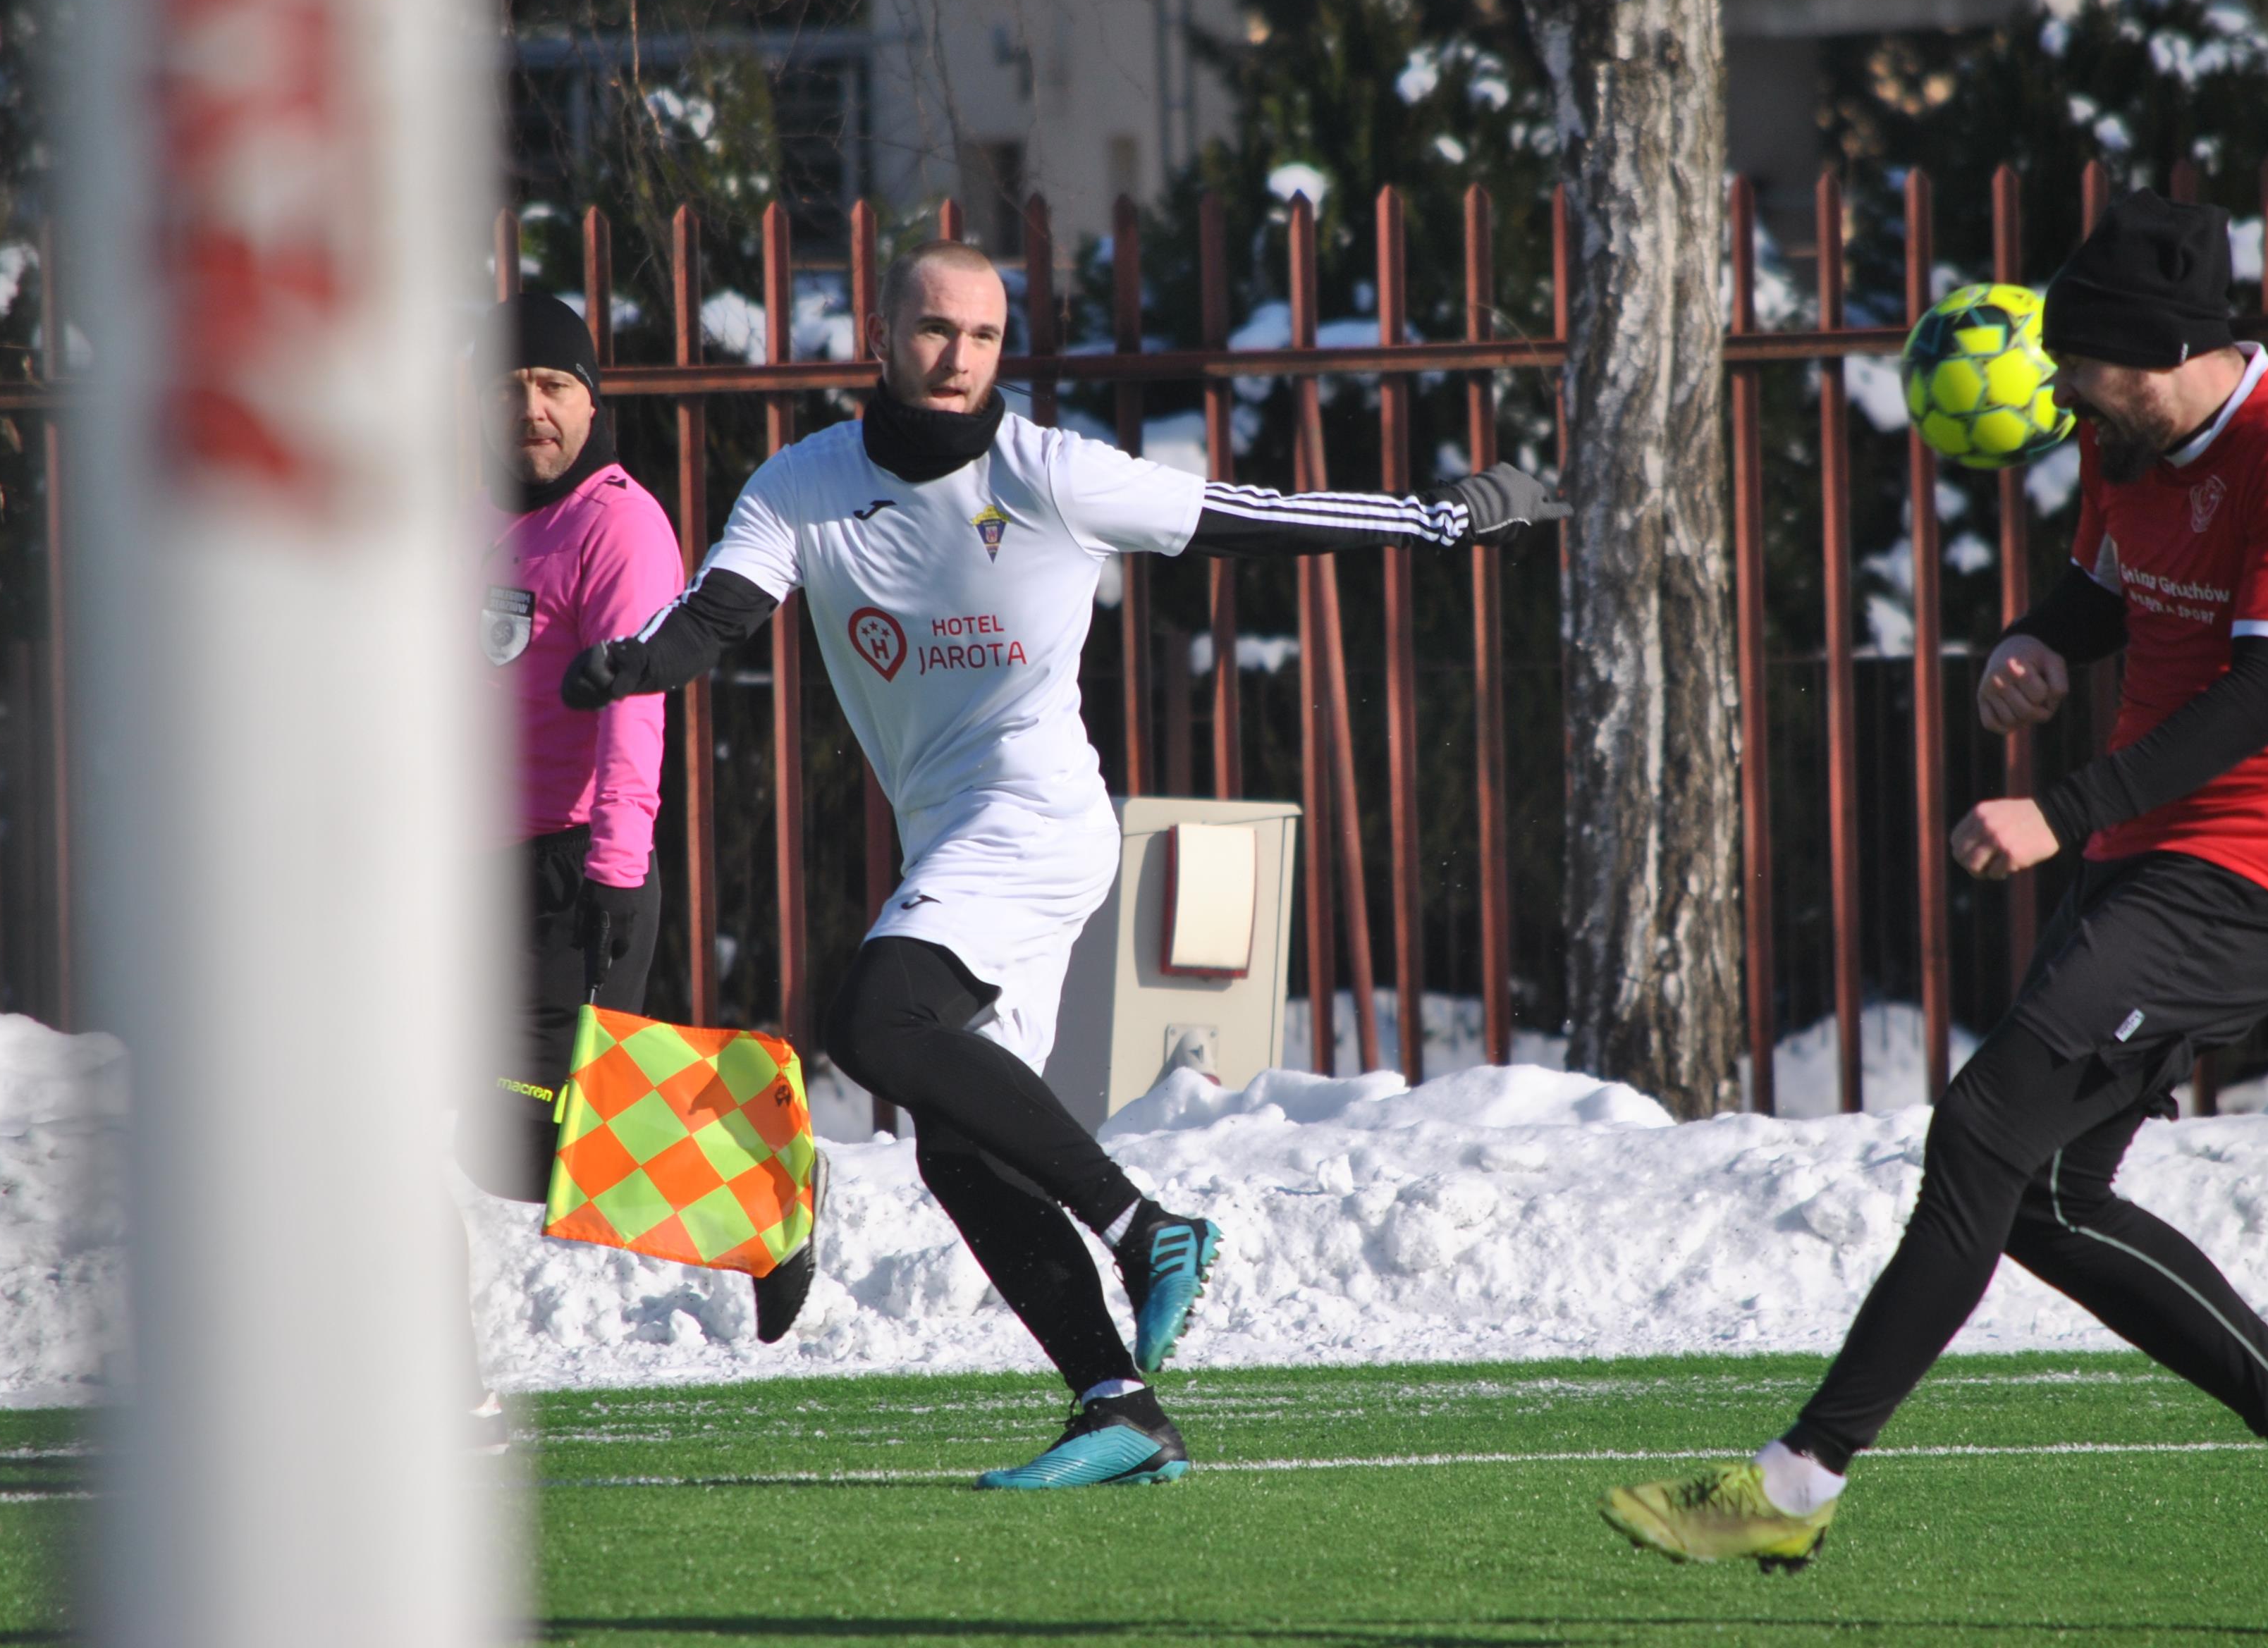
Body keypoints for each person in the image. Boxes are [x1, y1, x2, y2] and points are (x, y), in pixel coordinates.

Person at [562, 238, 1564, 1487]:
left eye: (982, 338)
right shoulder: (800, 486)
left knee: (874, 1017)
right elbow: (716, 612)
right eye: (934, 329)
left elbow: (1238, 519)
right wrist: (627, 667)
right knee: (954, 1144)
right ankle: (1120, 1406)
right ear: (882, 335)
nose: (957, 357)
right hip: (955, 836)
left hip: (1036, 818)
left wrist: (1437, 519)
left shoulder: (1047, 470)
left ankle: (1147, 1226)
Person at [1598, 192, 2268, 1635]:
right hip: (2147, 869)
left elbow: (2266, 697)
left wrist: (2063, 806)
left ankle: (1793, 1489)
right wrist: (2037, 644)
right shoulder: (2129, 446)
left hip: (2244, 880)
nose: (2061, 389)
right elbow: (2103, 596)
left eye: (2083, 363)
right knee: (2042, 1199)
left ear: (2161, 354)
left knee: (1979, 1132)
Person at [462, 295, 816, 1447]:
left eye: (555, 387)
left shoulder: (618, 526)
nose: (531, 410)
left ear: (589, 401)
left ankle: (767, 1189)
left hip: (576, 873)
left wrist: (614, 871)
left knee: (551, 1139)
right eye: (511, 386)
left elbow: (636, 714)